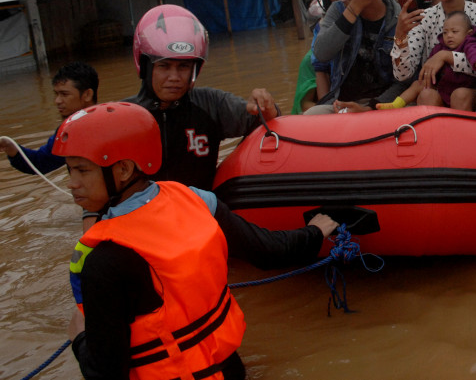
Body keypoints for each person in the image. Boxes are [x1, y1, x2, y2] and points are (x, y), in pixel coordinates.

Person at [58, 102, 338, 380]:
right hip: (229, 370)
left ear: (123, 170)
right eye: (70, 170)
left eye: (82, 170)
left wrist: (80, 338)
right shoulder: (196, 199)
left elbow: (104, 373)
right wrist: (314, 232)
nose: (72, 182)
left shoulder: (104, 260)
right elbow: (268, 250)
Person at [125, 4, 279, 191]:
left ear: (195, 69)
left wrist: (265, 104)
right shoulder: (123, 118)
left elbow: (266, 120)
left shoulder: (211, 104)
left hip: (202, 210)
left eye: (183, 67)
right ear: (145, 66)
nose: (174, 77)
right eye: (164, 66)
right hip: (146, 215)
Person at [307, 0, 409, 114]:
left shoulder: (399, 19)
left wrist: (370, 107)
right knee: (312, 115)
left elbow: (406, 80)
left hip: (386, 104)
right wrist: (354, 9)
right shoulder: (338, 10)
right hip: (343, 103)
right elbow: (321, 53)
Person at [2, 61, 98, 175]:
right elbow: (40, 162)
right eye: (56, 94)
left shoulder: (108, 126)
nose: (57, 101)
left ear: (87, 95)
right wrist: (9, 146)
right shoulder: (67, 132)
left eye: (64, 94)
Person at [419, 11, 476, 110]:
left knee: (460, 94)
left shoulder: (469, 42)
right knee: (425, 93)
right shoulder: (440, 47)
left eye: (454, 32)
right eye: (445, 32)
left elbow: (473, 52)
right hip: (442, 92)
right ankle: (431, 124)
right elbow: (430, 63)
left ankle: (459, 125)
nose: (449, 35)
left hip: (466, 93)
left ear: (468, 33)